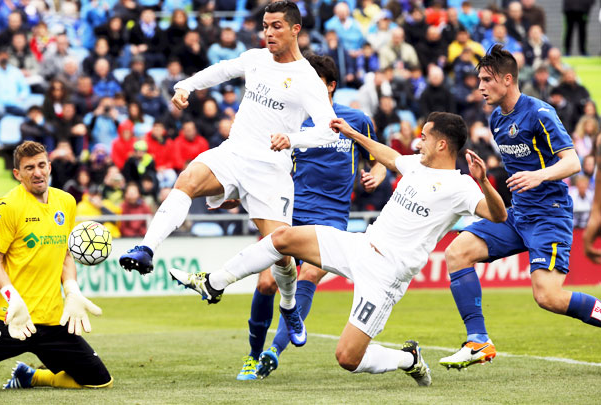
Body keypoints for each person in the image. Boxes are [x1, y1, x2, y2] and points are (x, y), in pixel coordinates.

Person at [171, 111, 507, 386]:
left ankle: (409, 358)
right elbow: (387, 156)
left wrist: (483, 181)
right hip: (361, 245)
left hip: (386, 275)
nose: (418, 141)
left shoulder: (462, 186)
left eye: (425, 136)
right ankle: (213, 282)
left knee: (347, 358)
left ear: (442, 144)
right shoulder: (417, 165)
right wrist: (352, 133)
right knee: (283, 238)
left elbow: (497, 214)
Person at [119, 0, 339, 347]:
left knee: (281, 255)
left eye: (277, 26)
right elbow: (223, 69)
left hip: (271, 168)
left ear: (296, 29)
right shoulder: (255, 59)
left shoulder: (308, 80)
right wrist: (186, 85)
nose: (268, 32)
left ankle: (290, 305)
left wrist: (292, 139)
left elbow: (329, 130)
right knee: (187, 180)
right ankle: (146, 249)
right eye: (265, 26)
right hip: (234, 152)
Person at [439, 45, 599, 370]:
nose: (480, 87)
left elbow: (573, 162)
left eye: (486, 79)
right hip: (518, 215)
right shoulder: (496, 118)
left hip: (549, 215)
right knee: (457, 253)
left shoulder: (539, 113)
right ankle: (478, 341)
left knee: (548, 297)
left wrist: (538, 176)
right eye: (479, 79)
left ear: (508, 79)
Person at [236, 54, 386, 381]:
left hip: (332, 217)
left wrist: (377, 173)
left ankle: (272, 352)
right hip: (290, 212)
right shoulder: (291, 121)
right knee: (265, 282)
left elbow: (380, 157)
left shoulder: (356, 120)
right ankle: (252, 354)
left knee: (309, 277)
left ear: (331, 86)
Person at [0, 141, 112, 391]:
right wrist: (12, 297)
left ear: (49, 167)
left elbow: (66, 255)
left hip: (51, 321)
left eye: (40, 166)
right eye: (29, 168)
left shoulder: (67, 202)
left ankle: (33, 376)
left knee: (100, 382)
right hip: (9, 318)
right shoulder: (7, 206)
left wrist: (72, 290)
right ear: (18, 174)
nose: (37, 172)